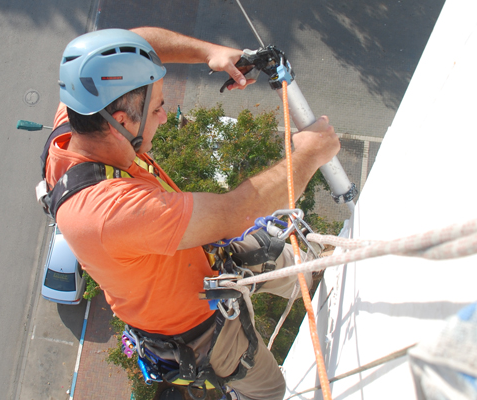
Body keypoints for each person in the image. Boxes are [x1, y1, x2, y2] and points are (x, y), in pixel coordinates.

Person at [42, 27, 340, 400]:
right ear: (122, 121)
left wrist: (209, 53)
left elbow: (133, 45)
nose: (165, 117)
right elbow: (235, 212)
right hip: (193, 324)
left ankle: (316, 281)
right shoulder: (106, 212)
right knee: (269, 389)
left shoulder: (78, 124)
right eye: (156, 109)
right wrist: (310, 153)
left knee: (294, 262)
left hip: (199, 256)